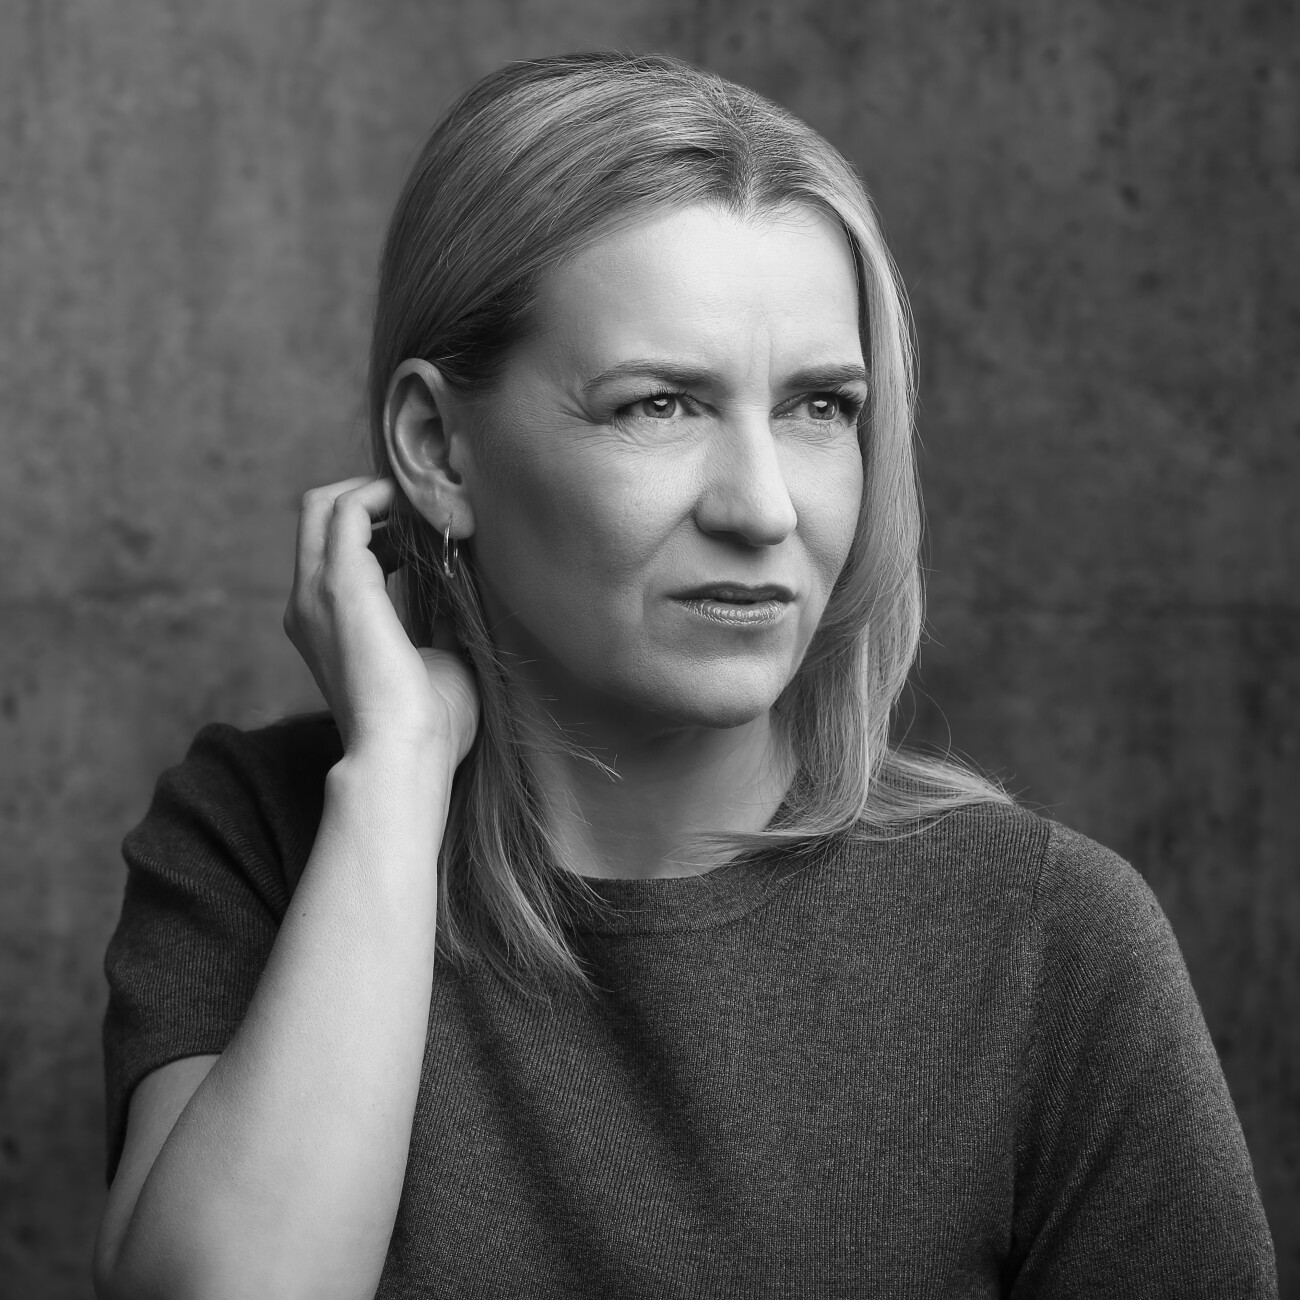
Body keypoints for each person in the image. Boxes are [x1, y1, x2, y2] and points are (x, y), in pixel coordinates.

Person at [92, 51, 1277, 1299]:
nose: (763, 508)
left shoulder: (1045, 936)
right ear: (437, 449)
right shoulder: (256, 839)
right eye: (659, 405)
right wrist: (395, 776)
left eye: (821, 408)